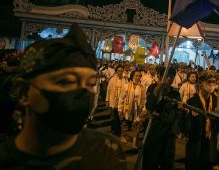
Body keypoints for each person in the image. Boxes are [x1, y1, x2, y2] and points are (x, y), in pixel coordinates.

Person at [0, 24, 127, 169]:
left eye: (91, 83)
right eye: (67, 81)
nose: (83, 92)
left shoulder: (107, 152)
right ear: (23, 91)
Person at [143, 66, 181, 170]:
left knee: (167, 161)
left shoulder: (175, 93)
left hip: (169, 132)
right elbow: (150, 105)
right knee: (151, 160)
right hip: (154, 130)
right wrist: (157, 90)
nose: (169, 78)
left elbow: (177, 112)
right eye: (167, 76)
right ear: (161, 76)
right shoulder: (152, 88)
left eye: (172, 76)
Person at [185, 70, 219, 170]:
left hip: (210, 144)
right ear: (201, 83)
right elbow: (187, 125)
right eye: (209, 82)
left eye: (214, 82)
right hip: (195, 143)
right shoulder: (192, 102)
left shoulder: (217, 101)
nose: (212, 85)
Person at [118, 69, 146, 149]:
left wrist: (143, 108)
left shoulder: (142, 87)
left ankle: (134, 143)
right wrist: (120, 108)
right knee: (125, 123)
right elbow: (121, 97)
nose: (138, 77)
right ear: (132, 76)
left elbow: (144, 99)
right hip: (127, 108)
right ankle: (123, 135)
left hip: (137, 108)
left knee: (136, 125)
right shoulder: (126, 86)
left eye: (139, 76)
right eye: (136, 75)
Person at [106, 65, 127, 137]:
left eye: (121, 71)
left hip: (121, 101)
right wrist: (107, 100)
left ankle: (116, 130)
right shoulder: (112, 79)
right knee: (114, 116)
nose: (120, 72)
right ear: (116, 71)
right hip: (113, 100)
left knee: (118, 117)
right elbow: (108, 90)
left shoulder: (125, 80)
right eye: (119, 71)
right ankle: (114, 130)